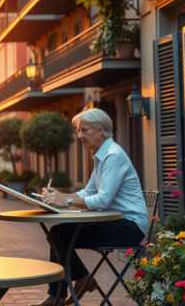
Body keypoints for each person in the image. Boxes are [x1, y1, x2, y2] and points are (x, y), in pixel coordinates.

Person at [32, 108, 148, 306]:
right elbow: (87, 192)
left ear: (101, 130)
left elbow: (102, 200)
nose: (80, 136)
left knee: (59, 235)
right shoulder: (101, 156)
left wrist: (65, 201)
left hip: (130, 227)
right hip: (115, 221)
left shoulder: (113, 156)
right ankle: (71, 286)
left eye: (84, 130)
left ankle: (62, 292)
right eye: (79, 131)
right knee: (58, 233)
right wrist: (57, 197)